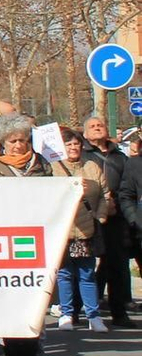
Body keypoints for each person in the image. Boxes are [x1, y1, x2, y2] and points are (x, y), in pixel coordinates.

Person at [0, 113, 51, 356]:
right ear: (1, 142)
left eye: (23, 140)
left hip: (35, 240)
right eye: (13, 140)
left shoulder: (41, 164)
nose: (19, 145)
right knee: (9, 305)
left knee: (32, 303)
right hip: (4, 241)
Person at [51, 126, 110, 334]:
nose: (74, 148)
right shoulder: (53, 168)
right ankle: (67, 313)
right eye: (69, 144)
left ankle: (93, 316)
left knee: (87, 274)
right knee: (65, 274)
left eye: (76, 144)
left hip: (87, 229)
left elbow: (105, 194)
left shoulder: (93, 166)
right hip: (64, 230)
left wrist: (101, 216)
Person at [81, 115, 135, 327]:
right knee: (82, 264)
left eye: (100, 125)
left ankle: (119, 312)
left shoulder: (120, 157)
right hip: (87, 214)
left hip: (115, 216)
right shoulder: (82, 155)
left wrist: (116, 203)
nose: (97, 129)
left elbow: (127, 183)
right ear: (85, 133)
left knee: (117, 264)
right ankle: (76, 309)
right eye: (92, 126)